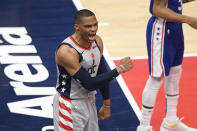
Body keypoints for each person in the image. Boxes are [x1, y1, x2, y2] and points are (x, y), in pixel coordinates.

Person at [53, 9, 133, 131]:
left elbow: (102, 72)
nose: (93, 29)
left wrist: (107, 104)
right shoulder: (67, 51)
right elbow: (89, 84)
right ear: (77, 27)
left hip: (89, 101)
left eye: (95, 24)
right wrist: (119, 69)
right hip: (69, 104)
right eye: (88, 26)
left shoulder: (97, 41)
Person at [137, 0, 197, 131]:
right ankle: (144, 126)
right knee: (156, 78)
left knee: (175, 74)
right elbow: (157, 8)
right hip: (161, 29)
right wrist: (188, 19)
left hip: (175, 29)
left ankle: (170, 123)